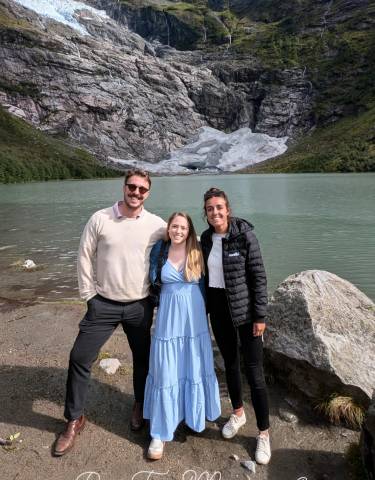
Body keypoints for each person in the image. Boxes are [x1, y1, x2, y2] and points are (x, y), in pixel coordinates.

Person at [53, 169, 166, 457]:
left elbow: (182, 240)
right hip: (102, 303)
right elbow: (83, 256)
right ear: (124, 187)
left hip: (140, 305)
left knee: (143, 359)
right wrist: (89, 295)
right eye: (132, 187)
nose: (136, 193)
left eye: (142, 189)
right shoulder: (100, 218)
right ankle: (74, 419)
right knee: (79, 357)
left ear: (148, 193)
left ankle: (140, 404)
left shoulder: (156, 225)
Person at [200, 188, 271, 465]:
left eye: (219, 207)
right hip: (219, 312)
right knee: (229, 365)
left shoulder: (245, 236)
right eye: (209, 208)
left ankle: (264, 433)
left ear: (228, 209)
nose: (215, 212)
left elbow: (259, 276)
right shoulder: (206, 239)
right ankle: (238, 413)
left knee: (255, 373)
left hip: (245, 313)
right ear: (205, 213)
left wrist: (260, 316)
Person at [143, 212, 221, 460]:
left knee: (192, 363)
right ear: (168, 229)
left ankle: (192, 413)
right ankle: (160, 431)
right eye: (174, 226)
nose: (178, 231)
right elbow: (150, 280)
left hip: (194, 315)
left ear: (189, 231)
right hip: (168, 315)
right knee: (166, 367)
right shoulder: (160, 249)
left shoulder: (197, 250)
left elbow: (214, 279)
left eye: (183, 227)